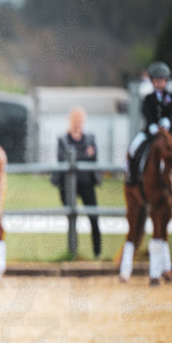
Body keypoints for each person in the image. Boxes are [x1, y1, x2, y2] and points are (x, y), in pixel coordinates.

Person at [53, 106, 102, 258]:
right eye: (76, 120)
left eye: (81, 120)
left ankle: (97, 252)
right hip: (69, 185)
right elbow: (64, 159)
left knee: (94, 217)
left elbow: (93, 157)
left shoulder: (90, 138)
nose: (79, 123)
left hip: (87, 182)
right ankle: (73, 253)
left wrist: (78, 156)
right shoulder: (63, 139)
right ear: (71, 121)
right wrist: (84, 154)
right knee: (72, 218)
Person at [127, 61, 172, 184]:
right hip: (150, 130)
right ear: (152, 81)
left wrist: (168, 121)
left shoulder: (170, 98)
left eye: (162, 80)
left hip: (167, 131)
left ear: (166, 81)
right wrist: (151, 124)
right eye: (156, 80)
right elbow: (145, 112)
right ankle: (133, 174)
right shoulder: (148, 98)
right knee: (133, 147)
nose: (159, 83)